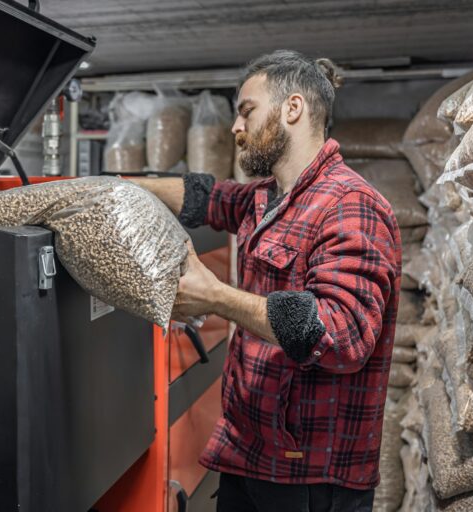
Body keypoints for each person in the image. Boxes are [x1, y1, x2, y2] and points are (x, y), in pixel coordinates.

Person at [132, 50, 402, 512]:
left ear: (292, 109)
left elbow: (340, 334)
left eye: (246, 111)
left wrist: (215, 297)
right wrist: (125, 186)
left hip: (309, 477)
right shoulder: (268, 198)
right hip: (251, 455)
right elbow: (209, 198)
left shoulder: (350, 205)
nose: (236, 128)